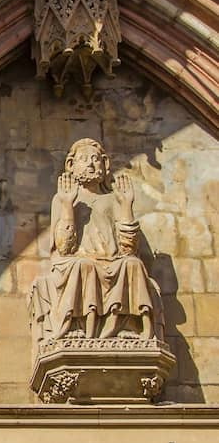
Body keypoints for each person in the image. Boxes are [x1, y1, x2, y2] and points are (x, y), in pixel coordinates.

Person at [29, 137, 162, 346]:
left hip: (113, 261)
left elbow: (129, 247)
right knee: (84, 265)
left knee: (133, 264)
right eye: (84, 159)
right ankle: (82, 328)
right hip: (79, 262)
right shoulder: (63, 200)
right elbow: (64, 248)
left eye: (95, 159)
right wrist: (66, 206)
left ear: (105, 163)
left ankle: (128, 327)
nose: (91, 164)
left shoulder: (113, 199)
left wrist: (126, 205)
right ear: (71, 166)